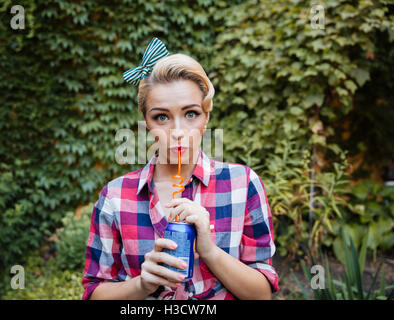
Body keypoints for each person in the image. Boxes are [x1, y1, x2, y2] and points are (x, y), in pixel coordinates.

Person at [82, 38, 279, 300]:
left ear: (206, 117)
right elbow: (94, 292)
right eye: (161, 117)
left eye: (190, 114)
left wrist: (210, 252)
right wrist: (142, 284)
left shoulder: (243, 184)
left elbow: (262, 295)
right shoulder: (115, 197)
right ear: (146, 122)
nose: (176, 132)